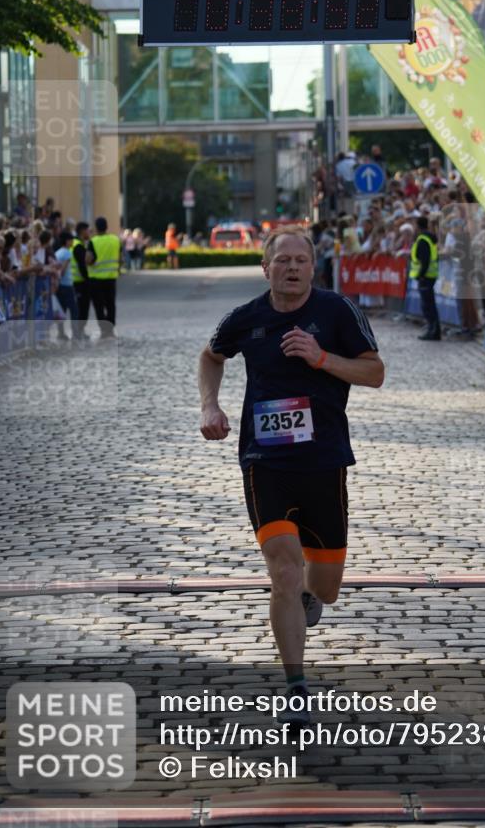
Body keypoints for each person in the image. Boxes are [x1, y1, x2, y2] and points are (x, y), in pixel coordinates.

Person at [198, 226, 384, 727]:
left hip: (324, 460)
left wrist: (322, 358)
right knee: (281, 571)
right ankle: (295, 686)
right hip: (265, 461)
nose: (293, 268)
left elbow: (375, 372)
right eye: (283, 260)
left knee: (324, 587)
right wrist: (209, 405)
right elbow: (211, 356)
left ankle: (307, 593)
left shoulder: (337, 312)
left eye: (302, 259)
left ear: (313, 267)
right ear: (266, 267)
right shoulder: (245, 319)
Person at [86, 216, 121, 339]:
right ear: (106, 226)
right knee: (110, 305)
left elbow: (88, 259)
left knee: (99, 306)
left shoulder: (93, 241)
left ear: (96, 228)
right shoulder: (115, 239)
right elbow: (120, 258)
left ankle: (104, 331)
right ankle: (110, 330)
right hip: (111, 278)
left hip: (96, 279)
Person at [410, 215, 440, 340]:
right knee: (429, 305)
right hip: (430, 275)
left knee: (428, 306)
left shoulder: (423, 240)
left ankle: (433, 331)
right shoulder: (428, 238)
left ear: (417, 226)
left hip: (425, 277)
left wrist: (420, 275)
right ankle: (433, 330)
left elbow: (425, 261)